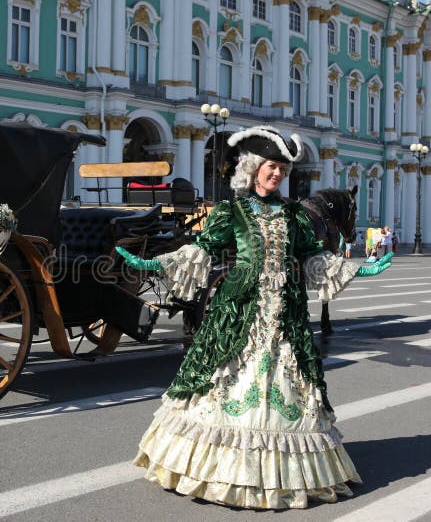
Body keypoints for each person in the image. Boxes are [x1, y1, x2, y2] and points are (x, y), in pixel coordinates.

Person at [118, 126, 392, 509]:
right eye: (271, 166)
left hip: (286, 314)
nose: (277, 174)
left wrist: (360, 269)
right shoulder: (233, 210)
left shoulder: (295, 215)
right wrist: (153, 263)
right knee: (221, 381)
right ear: (252, 167)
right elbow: (202, 249)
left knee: (289, 386)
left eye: (282, 168)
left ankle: (285, 475)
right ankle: (217, 469)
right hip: (240, 311)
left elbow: (313, 257)